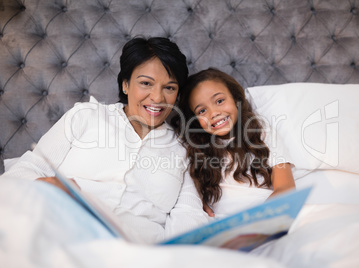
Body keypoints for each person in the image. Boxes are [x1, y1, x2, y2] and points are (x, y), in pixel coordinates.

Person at [1, 36, 209, 243]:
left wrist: (173, 255)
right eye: (146, 83)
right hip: (64, 230)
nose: (157, 98)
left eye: (169, 88)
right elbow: (24, 169)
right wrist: (45, 185)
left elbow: (188, 213)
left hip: (137, 249)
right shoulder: (85, 116)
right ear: (126, 85)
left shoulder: (183, 149)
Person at [173, 68, 295, 219]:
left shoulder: (261, 130)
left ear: (236, 99)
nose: (214, 113)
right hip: (222, 221)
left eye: (219, 101)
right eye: (202, 111)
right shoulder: (194, 148)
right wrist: (198, 201)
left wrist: (256, 219)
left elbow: (286, 187)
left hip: (268, 212)